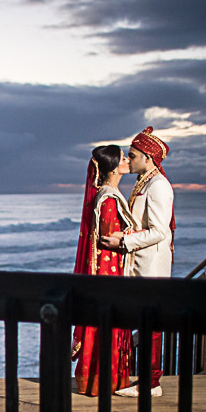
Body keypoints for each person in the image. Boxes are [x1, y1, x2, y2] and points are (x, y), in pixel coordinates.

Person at [99, 126, 175, 398]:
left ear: (148, 156)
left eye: (132, 155)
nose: (128, 160)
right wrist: (125, 234)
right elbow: (141, 224)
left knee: (151, 327)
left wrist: (124, 243)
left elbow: (159, 231)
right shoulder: (144, 181)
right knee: (144, 324)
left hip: (150, 267)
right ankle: (144, 380)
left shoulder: (158, 186)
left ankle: (151, 383)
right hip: (139, 264)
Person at [72, 145, 135, 396]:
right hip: (109, 270)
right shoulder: (109, 198)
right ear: (113, 167)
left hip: (106, 269)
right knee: (109, 323)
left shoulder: (104, 193)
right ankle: (104, 381)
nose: (127, 161)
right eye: (123, 158)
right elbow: (109, 237)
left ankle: (99, 380)